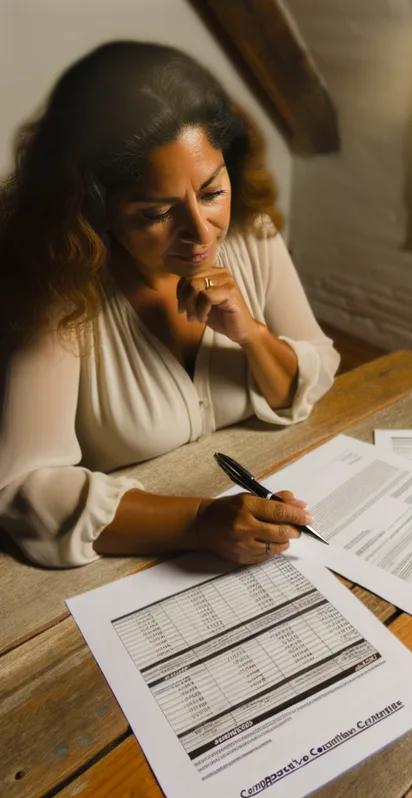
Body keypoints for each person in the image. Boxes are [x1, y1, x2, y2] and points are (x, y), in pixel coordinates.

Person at [0, 41, 340, 568]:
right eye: (156, 213)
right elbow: (22, 490)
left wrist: (250, 332)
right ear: (93, 210)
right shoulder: (61, 295)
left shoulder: (253, 234)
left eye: (210, 192)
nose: (202, 234)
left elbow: (315, 371)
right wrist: (198, 522)